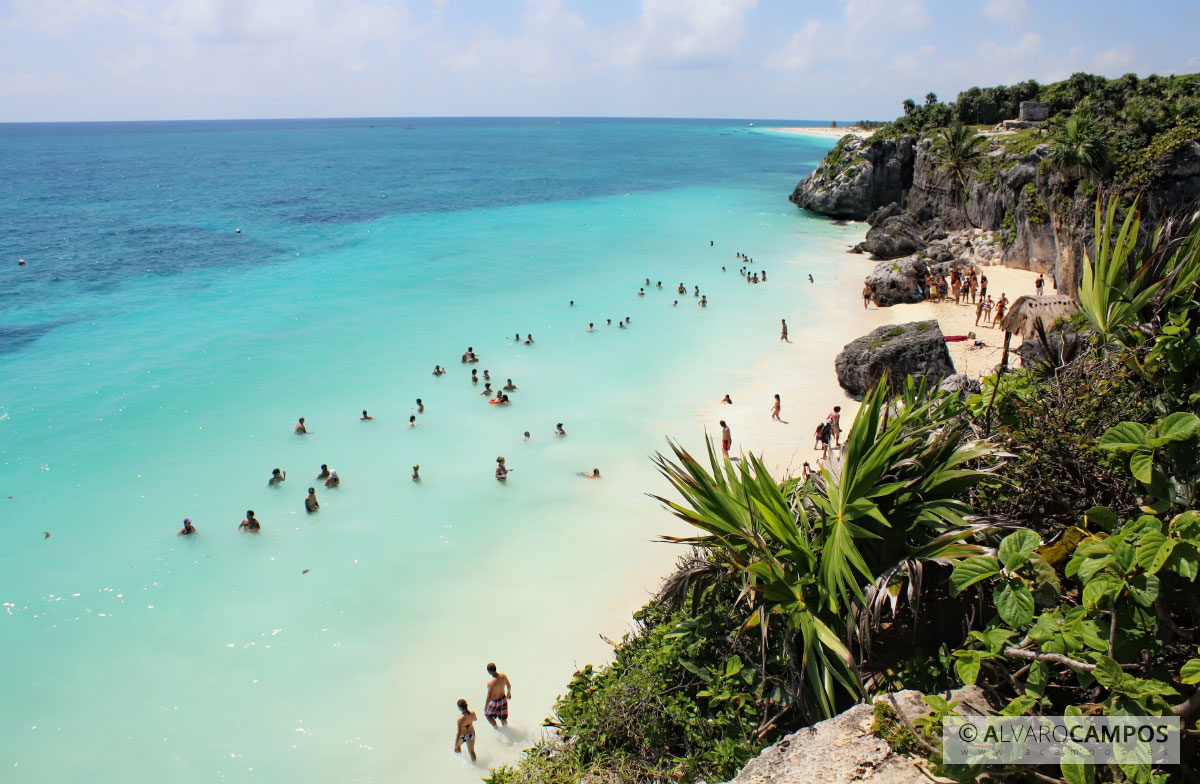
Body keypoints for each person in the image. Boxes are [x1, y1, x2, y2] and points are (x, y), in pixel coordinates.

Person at [484, 663, 513, 728]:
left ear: (489, 671)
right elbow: (509, 685)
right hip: (503, 699)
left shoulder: (490, 683)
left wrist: (486, 707)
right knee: (503, 718)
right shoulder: (503, 676)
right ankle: (506, 731)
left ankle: (497, 728)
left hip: (495, 702)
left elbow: (489, 696)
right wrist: (509, 692)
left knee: (487, 715)